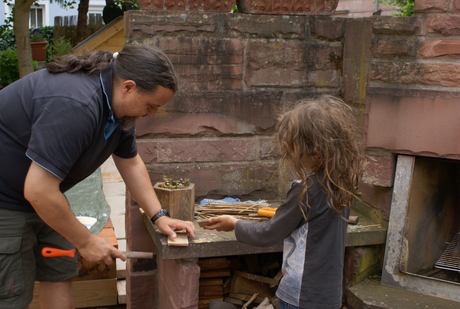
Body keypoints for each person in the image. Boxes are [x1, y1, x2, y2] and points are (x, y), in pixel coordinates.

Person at [0, 45, 195, 309]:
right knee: (11, 295)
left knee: (59, 272)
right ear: (128, 86)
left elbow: (130, 162)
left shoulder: (119, 109)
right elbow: (38, 191)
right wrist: (86, 240)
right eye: (150, 105)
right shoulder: (75, 105)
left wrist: (159, 216)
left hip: (41, 194)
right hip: (7, 200)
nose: (151, 114)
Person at [204, 95, 364, 309]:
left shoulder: (306, 189)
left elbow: (269, 233)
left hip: (301, 295)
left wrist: (235, 224)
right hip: (329, 295)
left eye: (292, 148)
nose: (288, 153)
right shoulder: (342, 182)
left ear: (315, 151)